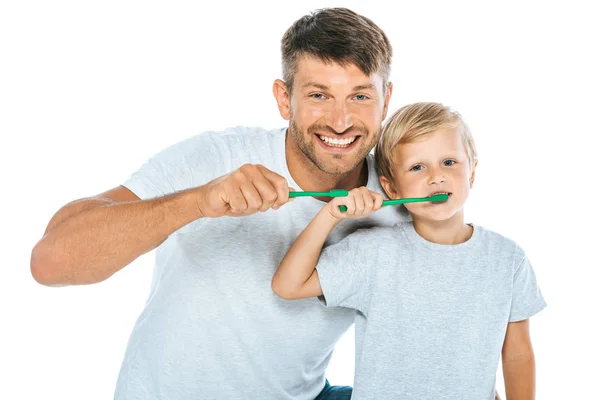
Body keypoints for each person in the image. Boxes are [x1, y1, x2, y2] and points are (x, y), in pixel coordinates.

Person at [30, 7, 409, 400]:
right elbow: (50, 263)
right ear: (284, 99)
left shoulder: (402, 199)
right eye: (318, 95)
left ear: (386, 101)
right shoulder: (215, 157)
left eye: (360, 96)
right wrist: (198, 201)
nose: (340, 121)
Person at [272, 102, 546, 400]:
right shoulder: (374, 253)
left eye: (449, 162)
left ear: (472, 173)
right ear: (391, 189)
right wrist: (330, 214)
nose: (435, 176)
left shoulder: (508, 260)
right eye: (417, 167)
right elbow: (288, 285)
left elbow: (518, 354)